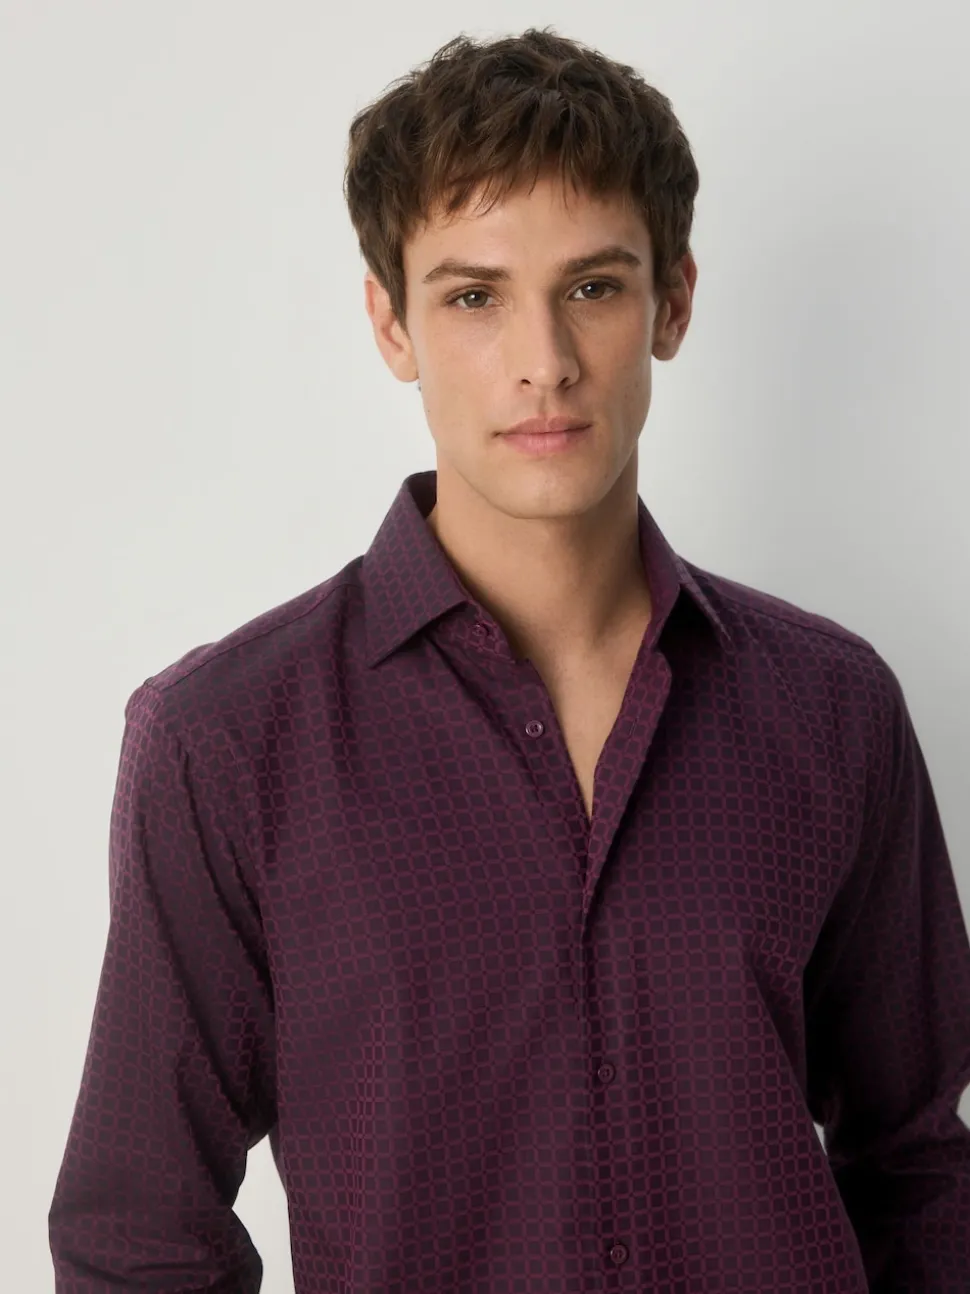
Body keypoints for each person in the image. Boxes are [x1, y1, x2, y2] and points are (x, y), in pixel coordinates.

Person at [49, 25, 970, 1293]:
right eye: (473, 296)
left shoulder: (832, 708)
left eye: (592, 286)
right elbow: (136, 1231)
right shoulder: (228, 741)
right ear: (391, 322)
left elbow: (918, 1168)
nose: (544, 361)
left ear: (672, 301)